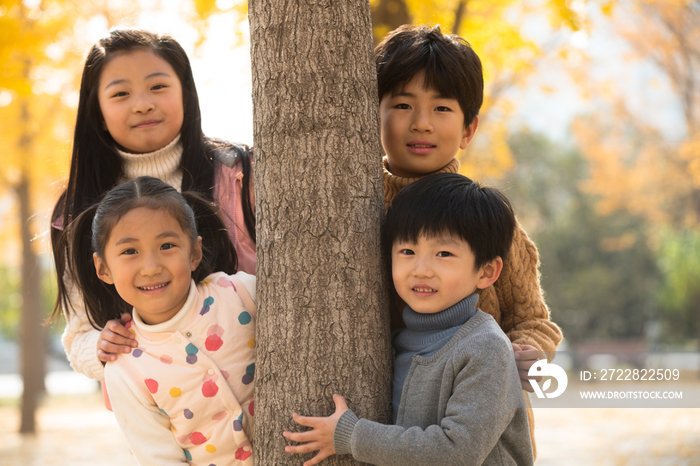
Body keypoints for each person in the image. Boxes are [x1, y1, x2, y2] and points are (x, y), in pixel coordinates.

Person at [374, 24, 562, 455]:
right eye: (402, 104)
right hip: (392, 427)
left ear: (468, 128)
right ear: (374, 114)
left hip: (477, 432)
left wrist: (526, 352)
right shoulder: (355, 211)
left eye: (442, 108)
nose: (421, 124)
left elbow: (534, 317)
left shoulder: (489, 223)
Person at [49, 29, 256, 384]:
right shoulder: (75, 213)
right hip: (163, 415)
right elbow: (78, 333)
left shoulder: (239, 175)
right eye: (120, 93)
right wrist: (101, 345)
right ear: (96, 111)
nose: (142, 103)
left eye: (158, 87)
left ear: (186, 94)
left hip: (261, 394)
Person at [284, 173, 534, 466]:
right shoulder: (393, 342)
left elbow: (458, 451)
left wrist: (352, 436)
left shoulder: (485, 347)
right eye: (407, 251)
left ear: (486, 271)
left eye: (444, 253)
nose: (421, 269)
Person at [62, 176, 255, 465]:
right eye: (130, 251)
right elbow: (159, 458)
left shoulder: (240, 294)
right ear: (103, 269)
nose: (151, 267)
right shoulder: (126, 370)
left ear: (194, 252)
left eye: (166, 245)